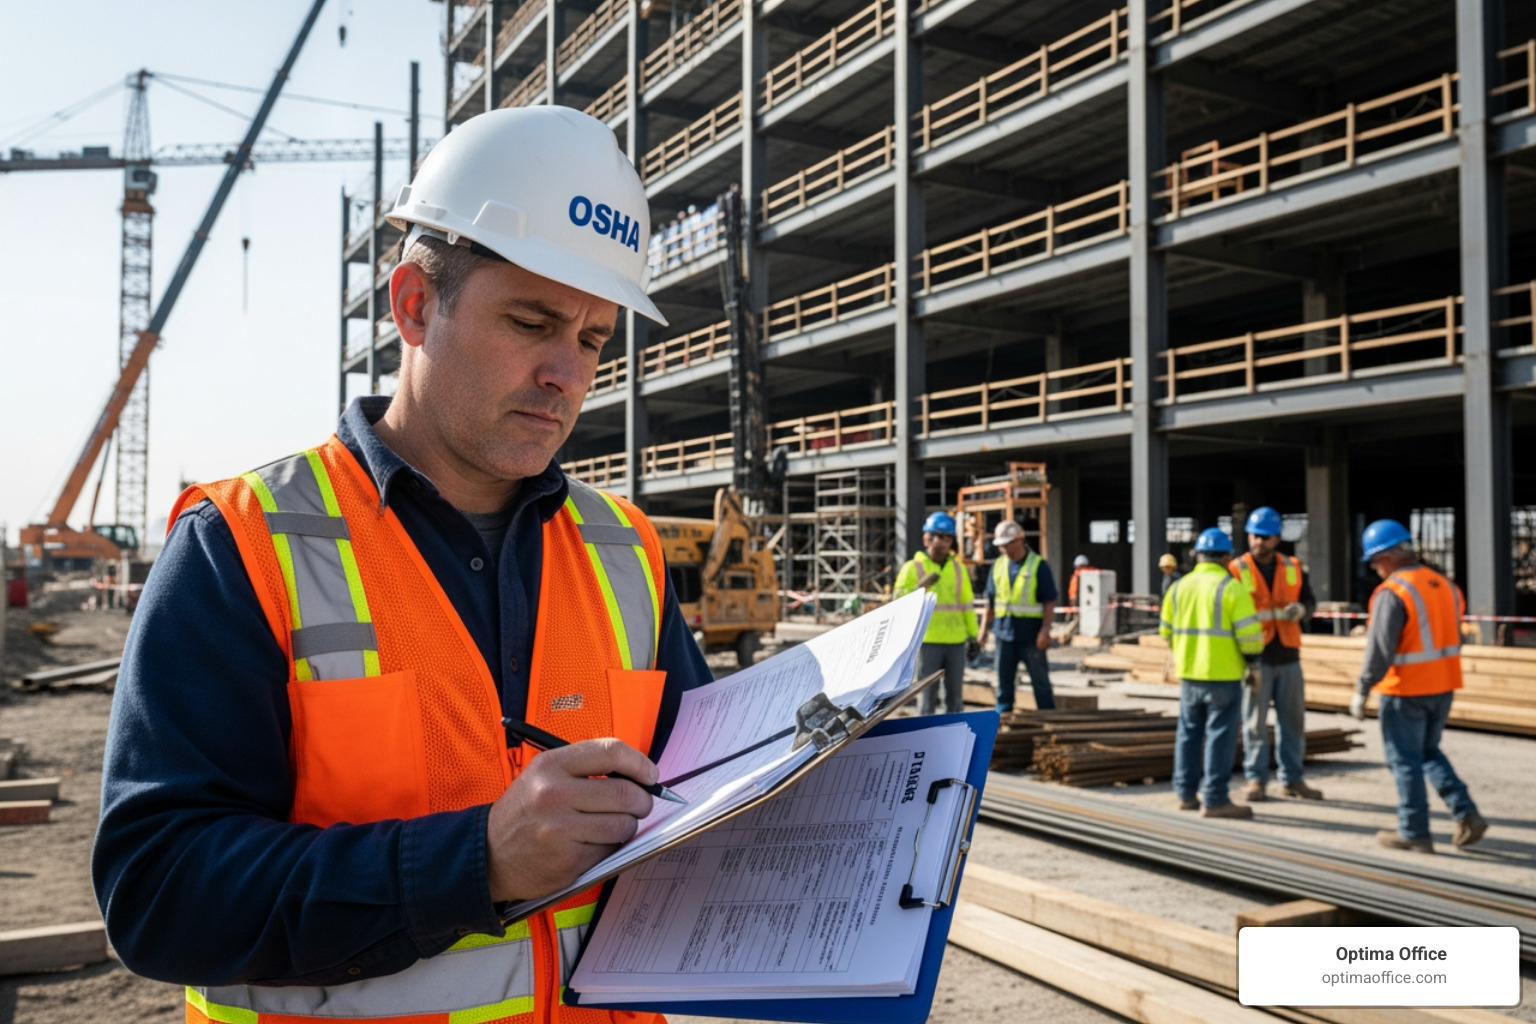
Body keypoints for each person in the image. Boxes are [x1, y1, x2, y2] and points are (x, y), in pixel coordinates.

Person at [92, 108, 715, 1024]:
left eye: (591, 339)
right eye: (532, 321)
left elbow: (699, 796)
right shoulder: (245, 545)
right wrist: (479, 862)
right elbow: (160, 895)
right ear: (415, 305)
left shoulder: (625, 551)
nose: (566, 375)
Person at [1350, 519, 1487, 853]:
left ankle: (1414, 831)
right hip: (1443, 685)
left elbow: (1380, 650)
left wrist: (1362, 688)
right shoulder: (1444, 585)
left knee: (1404, 761)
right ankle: (1466, 812)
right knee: (1428, 752)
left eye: (1375, 560)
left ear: (1390, 556)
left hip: (1405, 691)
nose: (1374, 567)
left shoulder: (1393, 592)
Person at [1161, 527, 1264, 819]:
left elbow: (1165, 631)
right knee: (1220, 736)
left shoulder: (1178, 587)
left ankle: (1185, 795)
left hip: (1190, 673)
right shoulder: (1231, 588)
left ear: (1197, 556)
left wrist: (1185, 652)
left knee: (1188, 734)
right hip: (1224, 674)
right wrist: (1253, 664)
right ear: (1226, 557)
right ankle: (1216, 799)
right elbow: (1250, 637)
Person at [1231, 506, 1321, 802]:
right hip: (1256, 658)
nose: (1259, 542)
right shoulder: (1237, 569)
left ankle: (1293, 779)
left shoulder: (1293, 566)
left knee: (1292, 722)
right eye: (1255, 536)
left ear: (1277, 538)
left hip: (1288, 656)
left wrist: (1304, 610)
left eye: (1266, 537)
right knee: (1254, 723)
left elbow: (1308, 599)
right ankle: (1256, 780)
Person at [893, 511, 979, 715]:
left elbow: (967, 605)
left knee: (955, 696)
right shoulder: (912, 568)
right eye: (937, 536)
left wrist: (974, 637)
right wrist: (918, 588)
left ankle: (955, 735)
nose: (941, 541)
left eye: (946, 537)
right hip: (928, 641)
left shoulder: (959, 569)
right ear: (926, 538)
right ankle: (927, 739)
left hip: (956, 642)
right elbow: (898, 602)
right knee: (926, 695)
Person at [978, 520, 1057, 712]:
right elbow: (990, 601)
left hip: (1031, 636)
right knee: (1004, 686)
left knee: (1041, 684)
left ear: (1020, 539)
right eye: (1001, 545)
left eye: (1007, 544)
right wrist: (983, 631)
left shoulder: (1038, 565)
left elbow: (1049, 601)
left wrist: (1045, 630)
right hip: (1004, 635)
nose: (1004, 549)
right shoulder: (998, 566)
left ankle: (1048, 720)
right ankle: (1002, 724)